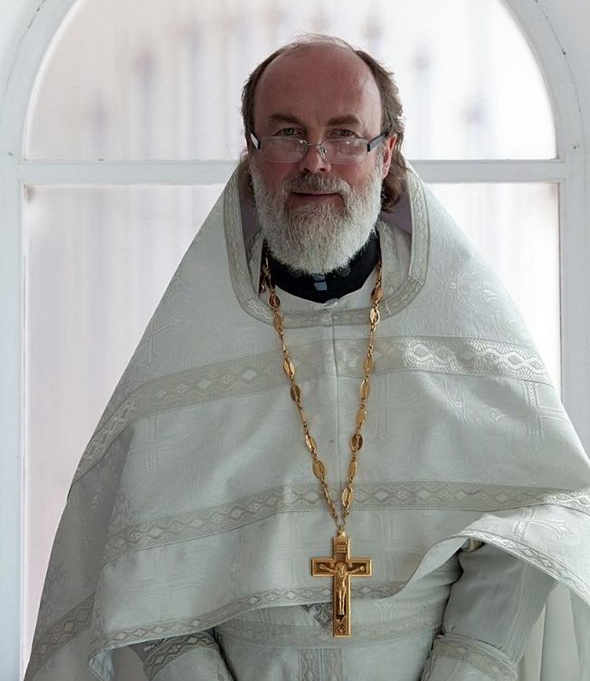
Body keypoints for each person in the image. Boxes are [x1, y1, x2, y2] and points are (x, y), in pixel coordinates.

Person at [26, 35, 590, 681]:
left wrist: (465, 669)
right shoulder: (194, 337)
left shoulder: (461, 325)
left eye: (344, 135)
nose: (316, 161)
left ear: (386, 154)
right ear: (252, 155)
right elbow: (138, 560)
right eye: (288, 134)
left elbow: (536, 525)